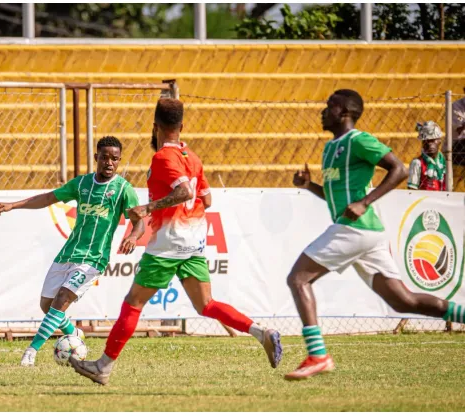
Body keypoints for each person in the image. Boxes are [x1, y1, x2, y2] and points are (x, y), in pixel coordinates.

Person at [70, 99, 283, 386]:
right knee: (206, 304)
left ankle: (103, 366)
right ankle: (261, 332)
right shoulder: (192, 158)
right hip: (194, 240)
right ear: (181, 127)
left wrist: (149, 208)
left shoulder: (161, 159)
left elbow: (184, 192)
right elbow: (205, 198)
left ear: (155, 126)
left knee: (133, 303)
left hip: (168, 243)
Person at [286, 89, 465, 381]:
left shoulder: (359, 140)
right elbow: (338, 201)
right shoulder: (331, 148)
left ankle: (318, 355)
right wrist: (309, 186)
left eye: (329, 106)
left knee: (298, 279)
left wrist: (365, 202)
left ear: (343, 112)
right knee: (403, 302)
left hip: (356, 230)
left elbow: (400, 169)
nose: (322, 110)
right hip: (364, 233)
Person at [0, 136, 145, 367]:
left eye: (114, 159)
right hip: (68, 253)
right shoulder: (82, 184)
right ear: (96, 158)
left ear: (119, 160)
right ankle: (73, 332)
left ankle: (31, 351)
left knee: (62, 299)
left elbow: (140, 221)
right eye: (104, 157)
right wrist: (13, 205)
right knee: (47, 305)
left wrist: (133, 236)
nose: (109, 163)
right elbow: (48, 198)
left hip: (94, 259)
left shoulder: (123, 189)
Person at [407, 121, 446, 191]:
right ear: (423, 143)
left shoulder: (445, 161)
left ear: (440, 141)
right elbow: (412, 190)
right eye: (426, 141)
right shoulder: (417, 163)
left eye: (433, 140)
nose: (430, 144)